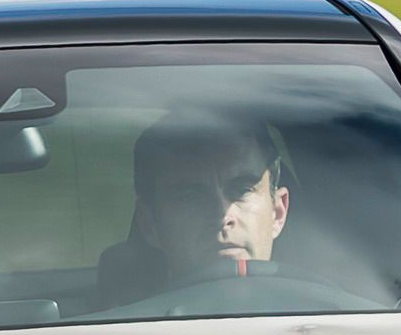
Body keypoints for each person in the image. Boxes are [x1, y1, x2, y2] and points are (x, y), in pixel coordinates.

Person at [94, 110, 293, 306]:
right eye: (191, 198)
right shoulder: (118, 333)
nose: (222, 216)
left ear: (278, 212)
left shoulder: (321, 318)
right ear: (150, 225)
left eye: (242, 190)